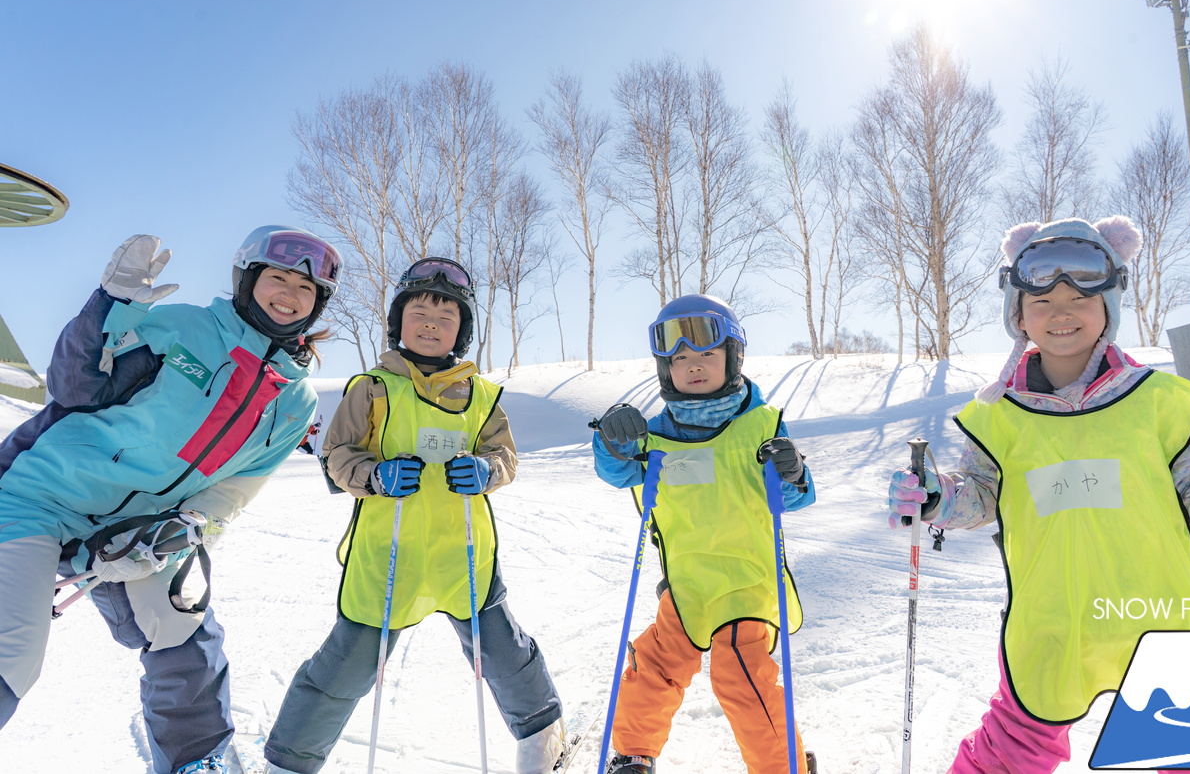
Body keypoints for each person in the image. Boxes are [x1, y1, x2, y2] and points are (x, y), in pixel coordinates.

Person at [886, 215, 1190, 774]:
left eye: (1079, 298)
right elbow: (979, 493)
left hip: (1158, 612)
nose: (1061, 312)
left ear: (1109, 307)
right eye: (1041, 302)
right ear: (1018, 316)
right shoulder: (1000, 417)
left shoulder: (1154, 401)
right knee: (1012, 747)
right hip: (1052, 618)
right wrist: (935, 497)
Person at [0, 226, 343, 774]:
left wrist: (185, 527)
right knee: (13, 651)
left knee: (184, 626)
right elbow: (75, 385)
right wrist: (110, 305)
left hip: (139, 526)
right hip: (41, 496)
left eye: (305, 289)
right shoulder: (186, 328)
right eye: (276, 276)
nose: (288, 293)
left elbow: (236, 486)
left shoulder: (295, 400)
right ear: (247, 279)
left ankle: (196, 761)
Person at [263, 256, 564, 774]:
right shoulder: (372, 388)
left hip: (463, 553)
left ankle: (544, 738)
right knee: (346, 667)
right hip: (387, 556)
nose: (431, 323)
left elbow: (505, 456)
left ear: (461, 332)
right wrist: (374, 475)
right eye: (419, 311)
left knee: (503, 652)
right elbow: (337, 457)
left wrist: (487, 471)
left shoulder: (483, 396)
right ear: (398, 322)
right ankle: (289, 763)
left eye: (446, 317)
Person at [592, 294, 817, 774]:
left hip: (748, 585)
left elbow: (795, 498)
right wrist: (611, 439)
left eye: (707, 355)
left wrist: (793, 472)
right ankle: (633, 753)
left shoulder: (761, 426)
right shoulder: (650, 436)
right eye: (680, 359)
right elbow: (616, 472)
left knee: (739, 672)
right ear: (665, 368)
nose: (693, 366)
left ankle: (783, 765)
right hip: (689, 583)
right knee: (656, 661)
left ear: (733, 359)